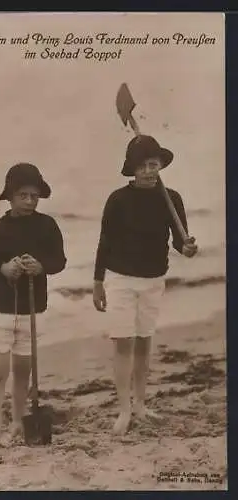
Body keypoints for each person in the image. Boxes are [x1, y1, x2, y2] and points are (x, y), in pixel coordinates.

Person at [92, 135, 198, 436]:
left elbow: (180, 240)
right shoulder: (118, 200)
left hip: (154, 279)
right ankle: (124, 410)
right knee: (123, 342)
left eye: (155, 165)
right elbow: (105, 243)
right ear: (133, 169)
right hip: (120, 278)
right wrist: (98, 283)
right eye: (144, 166)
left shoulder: (171, 198)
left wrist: (188, 248)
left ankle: (140, 403)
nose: (151, 171)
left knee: (144, 341)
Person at [0, 163, 66, 453]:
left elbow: (59, 261)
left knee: (24, 371)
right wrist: (2, 268)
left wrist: (41, 267)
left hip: (33, 309)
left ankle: (17, 422)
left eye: (34, 196)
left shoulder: (47, 225)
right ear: (10, 197)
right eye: (23, 195)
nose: (29, 201)